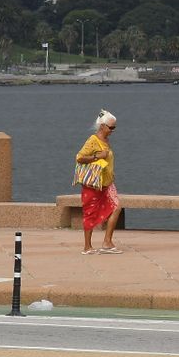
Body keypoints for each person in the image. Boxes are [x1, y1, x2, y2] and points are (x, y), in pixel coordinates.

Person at [75, 109, 123, 255]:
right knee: (90, 212)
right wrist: (97, 156)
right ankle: (87, 247)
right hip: (93, 183)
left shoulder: (106, 141)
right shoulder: (92, 140)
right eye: (111, 127)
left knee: (116, 207)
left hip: (107, 183)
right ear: (102, 126)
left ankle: (107, 242)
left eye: (114, 127)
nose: (113, 130)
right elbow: (80, 157)